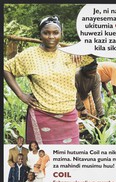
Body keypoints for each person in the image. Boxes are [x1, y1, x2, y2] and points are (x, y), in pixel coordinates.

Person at [4, 16, 94, 144]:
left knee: (68, 159)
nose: (51, 36)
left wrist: (79, 49)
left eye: (55, 33)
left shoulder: (70, 53)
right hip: (42, 115)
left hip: (69, 115)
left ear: (61, 34)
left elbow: (95, 53)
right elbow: (6, 68)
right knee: (41, 160)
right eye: (46, 33)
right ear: (40, 35)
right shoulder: (29, 55)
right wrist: (21, 95)